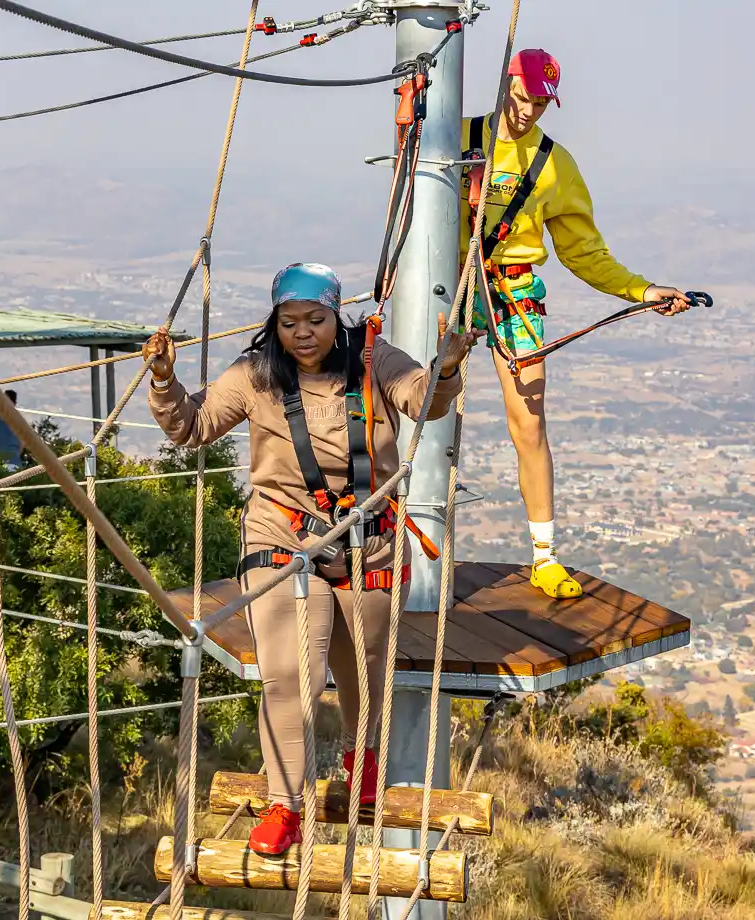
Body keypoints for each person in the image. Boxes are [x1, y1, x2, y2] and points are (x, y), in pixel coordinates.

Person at [144, 263, 475, 857]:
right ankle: (284, 805)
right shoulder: (255, 375)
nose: (302, 333)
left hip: (368, 540)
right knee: (290, 672)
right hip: (281, 536)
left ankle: (362, 756)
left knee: (365, 667)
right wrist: (164, 380)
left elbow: (423, 400)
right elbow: (192, 426)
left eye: (316, 320)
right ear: (274, 323)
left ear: (336, 316)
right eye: (289, 321)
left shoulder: (373, 359)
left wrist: (446, 367)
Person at [460, 49, 696, 599]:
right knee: (419, 401)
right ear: (505, 86)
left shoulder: (553, 163)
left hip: (514, 291)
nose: (528, 112)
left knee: (529, 423)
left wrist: (642, 289)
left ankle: (544, 557)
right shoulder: (460, 136)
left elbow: (583, 250)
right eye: (523, 98)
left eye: (540, 104)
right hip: (447, 286)